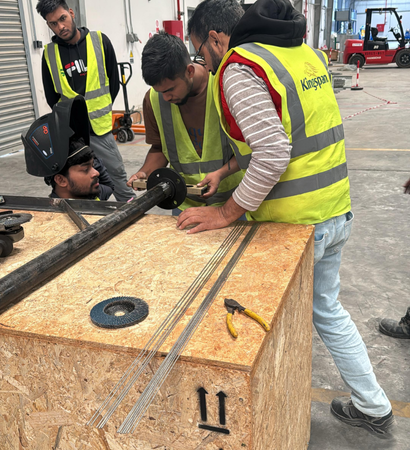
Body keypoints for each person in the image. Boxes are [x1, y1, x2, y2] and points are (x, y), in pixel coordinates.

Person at [183, 0, 394, 436]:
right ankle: (372, 405)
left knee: (266, 317)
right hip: (334, 210)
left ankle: (269, 417)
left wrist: (226, 211)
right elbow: (291, 137)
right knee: (325, 310)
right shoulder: (302, 54)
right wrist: (226, 169)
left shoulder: (240, 68)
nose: (204, 61)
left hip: (294, 224)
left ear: (216, 38)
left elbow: (275, 153)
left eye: (200, 51)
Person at [126, 31, 243, 213]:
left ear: (190, 71)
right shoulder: (154, 100)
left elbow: (249, 150)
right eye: (160, 91)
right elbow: (159, 149)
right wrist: (145, 172)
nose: (165, 98)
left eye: (170, 89)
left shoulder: (225, 87)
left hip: (232, 202)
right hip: (184, 205)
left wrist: (221, 174)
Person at [36, 0, 134, 202]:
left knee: (117, 177)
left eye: (63, 18)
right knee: (78, 184)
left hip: (100, 130)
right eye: (53, 23)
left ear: (71, 13)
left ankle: (131, 209)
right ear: (48, 25)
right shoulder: (49, 54)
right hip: (72, 134)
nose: (60, 27)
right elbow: (52, 98)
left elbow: (113, 85)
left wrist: (98, 110)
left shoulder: (99, 41)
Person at [44, 138, 114, 200]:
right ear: (61, 180)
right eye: (86, 169)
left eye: (93, 166)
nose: (97, 173)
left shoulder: (90, 192)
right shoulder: (49, 212)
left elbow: (108, 186)